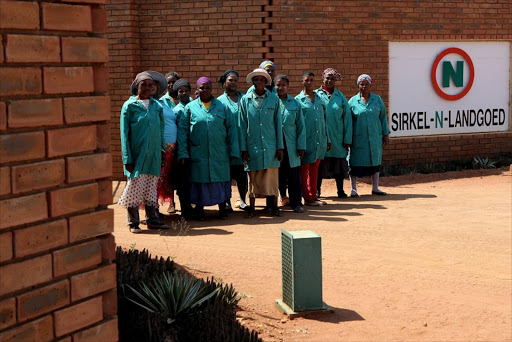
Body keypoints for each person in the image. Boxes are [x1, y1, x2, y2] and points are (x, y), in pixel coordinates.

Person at [177, 77, 239, 220]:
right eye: (201, 88)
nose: (204, 90)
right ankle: (200, 210)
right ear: (197, 90)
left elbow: (232, 129)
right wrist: (183, 154)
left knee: (220, 180)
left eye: (207, 88)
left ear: (211, 89)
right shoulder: (190, 108)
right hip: (198, 153)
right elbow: (182, 132)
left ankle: (222, 209)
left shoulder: (222, 106)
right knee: (200, 182)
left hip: (219, 152)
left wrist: (234, 150)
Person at [118, 71, 168, 233]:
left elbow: (161, 130)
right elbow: (124, 134)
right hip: (136, 156)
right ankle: (133, 223)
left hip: (153, 154)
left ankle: (152, 220)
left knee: (150, 187)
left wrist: (162, 151)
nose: (147, 88)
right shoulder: (129, 106)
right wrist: (127, 158)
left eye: (151, 85)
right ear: (136, 86)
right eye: (143, 85)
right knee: (134, 187)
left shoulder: (156, 106)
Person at [239, 68, 284, 217]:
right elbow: (242, 125)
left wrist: (279, 147)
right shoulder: (245, 100)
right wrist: (243, 149)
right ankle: (252, 208)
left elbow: (278, 124)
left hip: (270, 147)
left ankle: (275, 207)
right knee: (253, 179)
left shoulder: (274, 99)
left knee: (272, 179)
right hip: (253, 147)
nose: (258, 82)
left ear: (266, 82)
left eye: (261, 80)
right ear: (253, 82)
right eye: (256, 80)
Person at [348, 74, 391, 196]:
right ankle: (353, 189)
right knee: (354, 163)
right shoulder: (352, 101)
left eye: (366, 84)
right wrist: (347, 138)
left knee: (375, 162)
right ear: (358, 85)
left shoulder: (377, 100)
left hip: (374, 138)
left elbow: (383, 118)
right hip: (358, 139)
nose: (364, 86)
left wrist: (385, 134)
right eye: (362, 84)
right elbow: (348, 121)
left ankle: (375, 187)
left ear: (370, 85)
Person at [316, 68, 352, 198]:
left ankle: (340, 190)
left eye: (332, 78)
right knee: (320, 165)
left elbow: (347, 119)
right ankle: (317, 190)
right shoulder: (316, 95)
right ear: (323, 79)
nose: (329, 80)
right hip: (321, 137)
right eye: (327, 78)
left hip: (338, 137)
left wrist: (347, 138)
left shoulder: (340, 97)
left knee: (339, 166)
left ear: (335, 80)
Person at [295, 71, 330, 206]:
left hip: (319, 139)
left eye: (311, 80)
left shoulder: (320, 99)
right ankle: (307, 197)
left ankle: (314, 195)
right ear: (302, 82)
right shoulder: (298, 101)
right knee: (304, 169)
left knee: (315, 167)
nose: (309, 83)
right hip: (305, 140)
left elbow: (325, 120)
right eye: (306, 80)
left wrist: (328, 138)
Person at [217, 70, 248, 211]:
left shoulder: (245, 98)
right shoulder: (219, 102)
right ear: (224, 83)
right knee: (226, 175)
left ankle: (243, 200)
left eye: (235, 80)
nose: (233, 82)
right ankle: (227, 202)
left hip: (243, 143)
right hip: (227, 144)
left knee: (242, 175)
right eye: (230, 80)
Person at [275, 74, 306, 213]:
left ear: (288, 86)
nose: (280, 87)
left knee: (294, 175)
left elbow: (301, 126)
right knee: (276, 175)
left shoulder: (295, 103)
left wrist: (301, 145)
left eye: (283, 85)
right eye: (278, 85)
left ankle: (296, 203)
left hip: (291, 146)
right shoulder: (270, 102)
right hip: (274, 146)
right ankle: (274, 204)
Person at [171, 79, 194, 220]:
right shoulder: (177, 111)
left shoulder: (195, 106)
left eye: (186, 90)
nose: (184, 93)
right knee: (182, 183)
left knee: (193, 181)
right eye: (181, 91)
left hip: (195, 150)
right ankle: (185, 210)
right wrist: (182, 153)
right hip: (181, 152)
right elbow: (179, 134)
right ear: (177, 94)